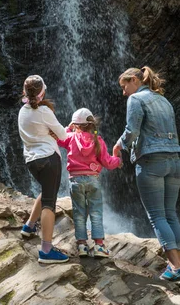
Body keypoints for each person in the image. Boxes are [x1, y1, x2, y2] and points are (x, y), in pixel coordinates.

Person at [112, 66, 180, 284]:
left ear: (135, 80)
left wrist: (118, 147)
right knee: (170, 214)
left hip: (151, 162)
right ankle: (177, 267)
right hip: (175, 161)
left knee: (157, 216)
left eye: (124, 86)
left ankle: (176, 268)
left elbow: (132, 130)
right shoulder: (164, 100)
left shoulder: (136, 99)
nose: (124, 92)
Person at [57, 108, 122, 258]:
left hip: (75, 180)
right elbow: (108, 162)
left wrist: (68, 128)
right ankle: (99, 246)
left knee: (79, 214)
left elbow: (58, 139)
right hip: (93, 180)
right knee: (96, 213)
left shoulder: (70, 137)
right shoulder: (98, 141)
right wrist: (118, 160)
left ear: (75, 125)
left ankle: (82, 246)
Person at [18, 74, 70, 264]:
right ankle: (46, 250)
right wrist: (58, 131)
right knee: (50, 202)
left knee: (47, 191)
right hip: (48, 159)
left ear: (25, 92)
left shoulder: (22, 111)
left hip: (32, 161)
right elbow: (63, 135)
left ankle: (29, 226)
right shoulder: (43, 111)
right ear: (42, 92)